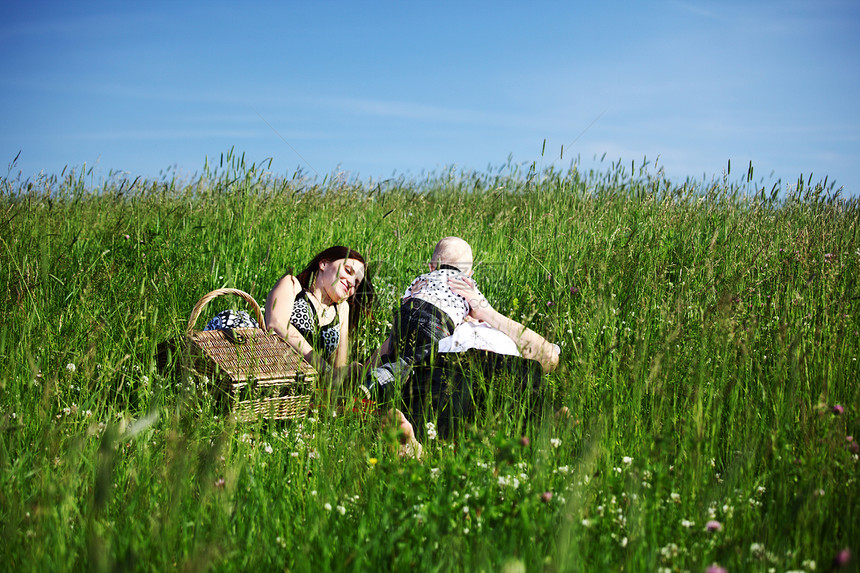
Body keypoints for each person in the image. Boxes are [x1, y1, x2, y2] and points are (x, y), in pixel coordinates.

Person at [205, 246, 374, 380]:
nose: (351, 282)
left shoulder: (342, 310)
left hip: (298, 380)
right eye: (348, 271)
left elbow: (338, 367)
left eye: (357, 283)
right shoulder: (292, 285)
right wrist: (325, 370)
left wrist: (348, 372)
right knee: (237, 320)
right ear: (323, 264)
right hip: (260, 364)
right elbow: (277, 324)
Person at [362, 237, 484, 402]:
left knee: (398, 352)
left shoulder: (423, 278)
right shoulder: (466, 283)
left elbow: (406, 299)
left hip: (406, 313)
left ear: (431, 266)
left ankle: (378, 380)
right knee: (417, 361)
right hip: (436, 322)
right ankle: (381, 380)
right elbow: (479, 311)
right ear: (469, 274)